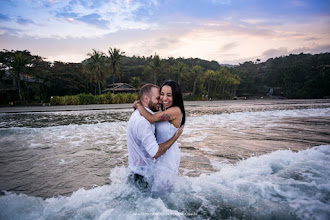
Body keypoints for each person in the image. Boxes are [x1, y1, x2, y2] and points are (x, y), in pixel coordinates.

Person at [126, 83, 184, 190]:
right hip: (153, 163)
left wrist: (139, 106)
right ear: (146, 99)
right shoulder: (144, 119)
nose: (163, 99)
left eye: (169, 95)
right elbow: (151, 119)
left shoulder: (174, 111)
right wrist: (139, 107)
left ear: (175, 96)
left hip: (167, 158)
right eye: (160, 95)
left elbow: (152, 118)